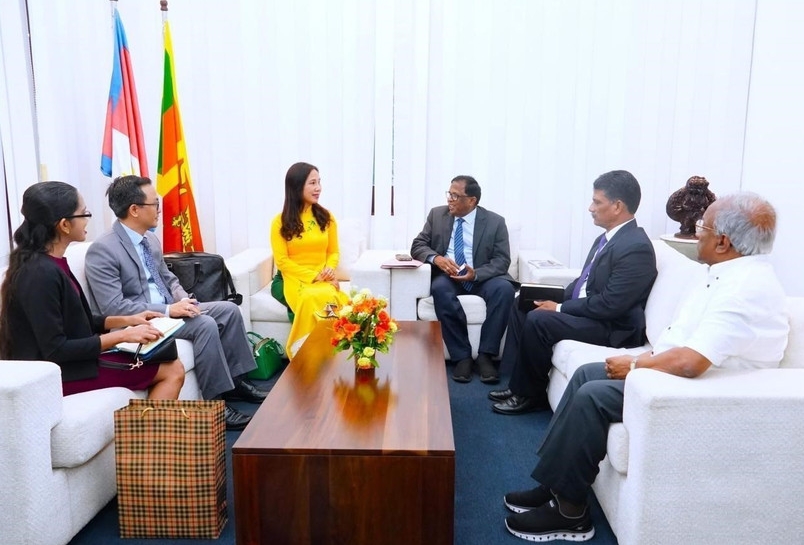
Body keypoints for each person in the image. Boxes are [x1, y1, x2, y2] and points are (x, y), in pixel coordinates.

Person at [502, 192, 789, 542]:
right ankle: (553, 484)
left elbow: (692, 361)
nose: (697, 232)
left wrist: (638, 363)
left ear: (723, 242)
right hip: (680, 373)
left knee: (593, 396)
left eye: (703, 226)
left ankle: (570, 511)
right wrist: (646, 360)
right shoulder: (726, 273)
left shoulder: (743, 289)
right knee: (586, 373)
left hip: (703, 387)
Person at [84, 175, 265, 430]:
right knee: (204, 324)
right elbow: (113, 308)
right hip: (142, 321)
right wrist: (169, 310)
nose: (160, 209)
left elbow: (169, 279)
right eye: (155, 203)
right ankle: (216, 405)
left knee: (228, 310)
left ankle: (236, 383)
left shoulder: (150, 239)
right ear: (134, 209)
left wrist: (183, 299)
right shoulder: (103, 250)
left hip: (171, 310)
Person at [490, 170, 657, 414]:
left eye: (597, 202)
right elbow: (584, 283)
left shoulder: (636, 247)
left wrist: (559, 307)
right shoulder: (606, 239)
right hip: (593, 314)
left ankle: (530, 395)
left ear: (617, 206)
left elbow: (611, 304)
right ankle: (516, 384)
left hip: (613, 327)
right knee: (523, 302)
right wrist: (554, 296)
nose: (591, 208)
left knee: (539, 319)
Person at [0, 181, 184, 399]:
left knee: (166, 359)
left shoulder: (51, 263)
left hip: (74, 363)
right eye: (84, 213)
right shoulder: (39, 274)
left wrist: (127, 320)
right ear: (64, 225)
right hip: (57, 374)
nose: (88, 219)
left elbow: (76, 319)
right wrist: (123, 336)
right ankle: (148, 424)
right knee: (172, 369)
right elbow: (56, 349)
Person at [411, 175, 516, 383]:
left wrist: (476, 273)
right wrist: (437, 259)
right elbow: (418, 245)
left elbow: (502, 260)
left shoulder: (495, 222)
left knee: (504, 290)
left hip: (481, 276)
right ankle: (462, 357)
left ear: (471, 200)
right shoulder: (437, 215)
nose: (449, 199)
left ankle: (486, 355)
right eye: (449, 194)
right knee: (439, 289)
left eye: (455, 196)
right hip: (449, 276)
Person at [270, 162, 349, 358]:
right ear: (297, 186)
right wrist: (314, 276)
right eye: (312, 183)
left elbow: (333, 252)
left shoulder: (326, 217)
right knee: (309, 298)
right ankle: (305, 356)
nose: (318, 188)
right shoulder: (279, 222)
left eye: (319, 182)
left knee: (329, 296)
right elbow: (282, 261)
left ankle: (329, 354)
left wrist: (329, 269)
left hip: (323, 277)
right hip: (292, 279)